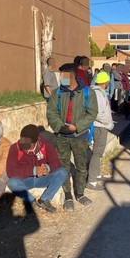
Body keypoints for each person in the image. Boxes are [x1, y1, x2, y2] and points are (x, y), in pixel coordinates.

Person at [47, 63, 98, 209]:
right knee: (63, 167)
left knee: (81, 166)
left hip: (79, 136)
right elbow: (51, 112)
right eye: (61, 75)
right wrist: (59, 126)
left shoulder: (88, 92)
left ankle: (80, 193)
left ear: (73, 75)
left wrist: (77, 127)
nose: (62, 78)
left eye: (64, 75)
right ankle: (68, 195)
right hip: (61, 136)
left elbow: (91, 113)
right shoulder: (57, 93)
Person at [6, 124, 68, 213]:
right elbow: (10, 171)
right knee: (12, 182)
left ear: (35, 141)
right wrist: (33, 170)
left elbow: (56, 162)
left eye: (27, 142)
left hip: (43, 179)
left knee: (62, 172)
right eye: (22, 140)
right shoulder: (15, 148)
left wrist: (47, 168)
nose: (23, 143)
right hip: (25, 180)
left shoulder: (45, 145)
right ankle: (31, 200)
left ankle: (44, 200)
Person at [87, 72, 114, 190]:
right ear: (104, 82)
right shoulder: (98, 94)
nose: (108, 83)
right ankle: (91, 181)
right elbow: (97, 113)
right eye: (108, 81)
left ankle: (96, 174)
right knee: (97, 153)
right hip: (100, 126)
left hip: (101, 126)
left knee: (98, 152)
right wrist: (108, 123)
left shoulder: (98, 92)